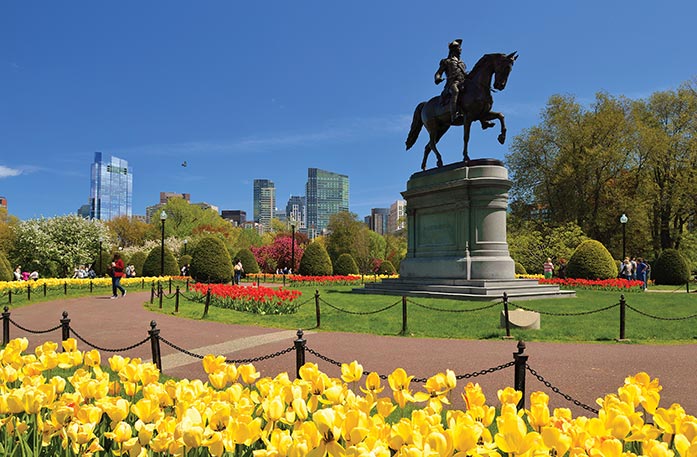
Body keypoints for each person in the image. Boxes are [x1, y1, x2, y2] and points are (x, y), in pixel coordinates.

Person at [435, 39, 468, 123]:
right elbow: (438, 73)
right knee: (455, 91)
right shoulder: (446, 61)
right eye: (458, 47)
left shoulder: (462, 63)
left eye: (460, 47)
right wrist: (437, 78)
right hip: (452, 84)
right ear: (453, 49)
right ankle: (454, 115)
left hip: (463, 83)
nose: (460, 49)